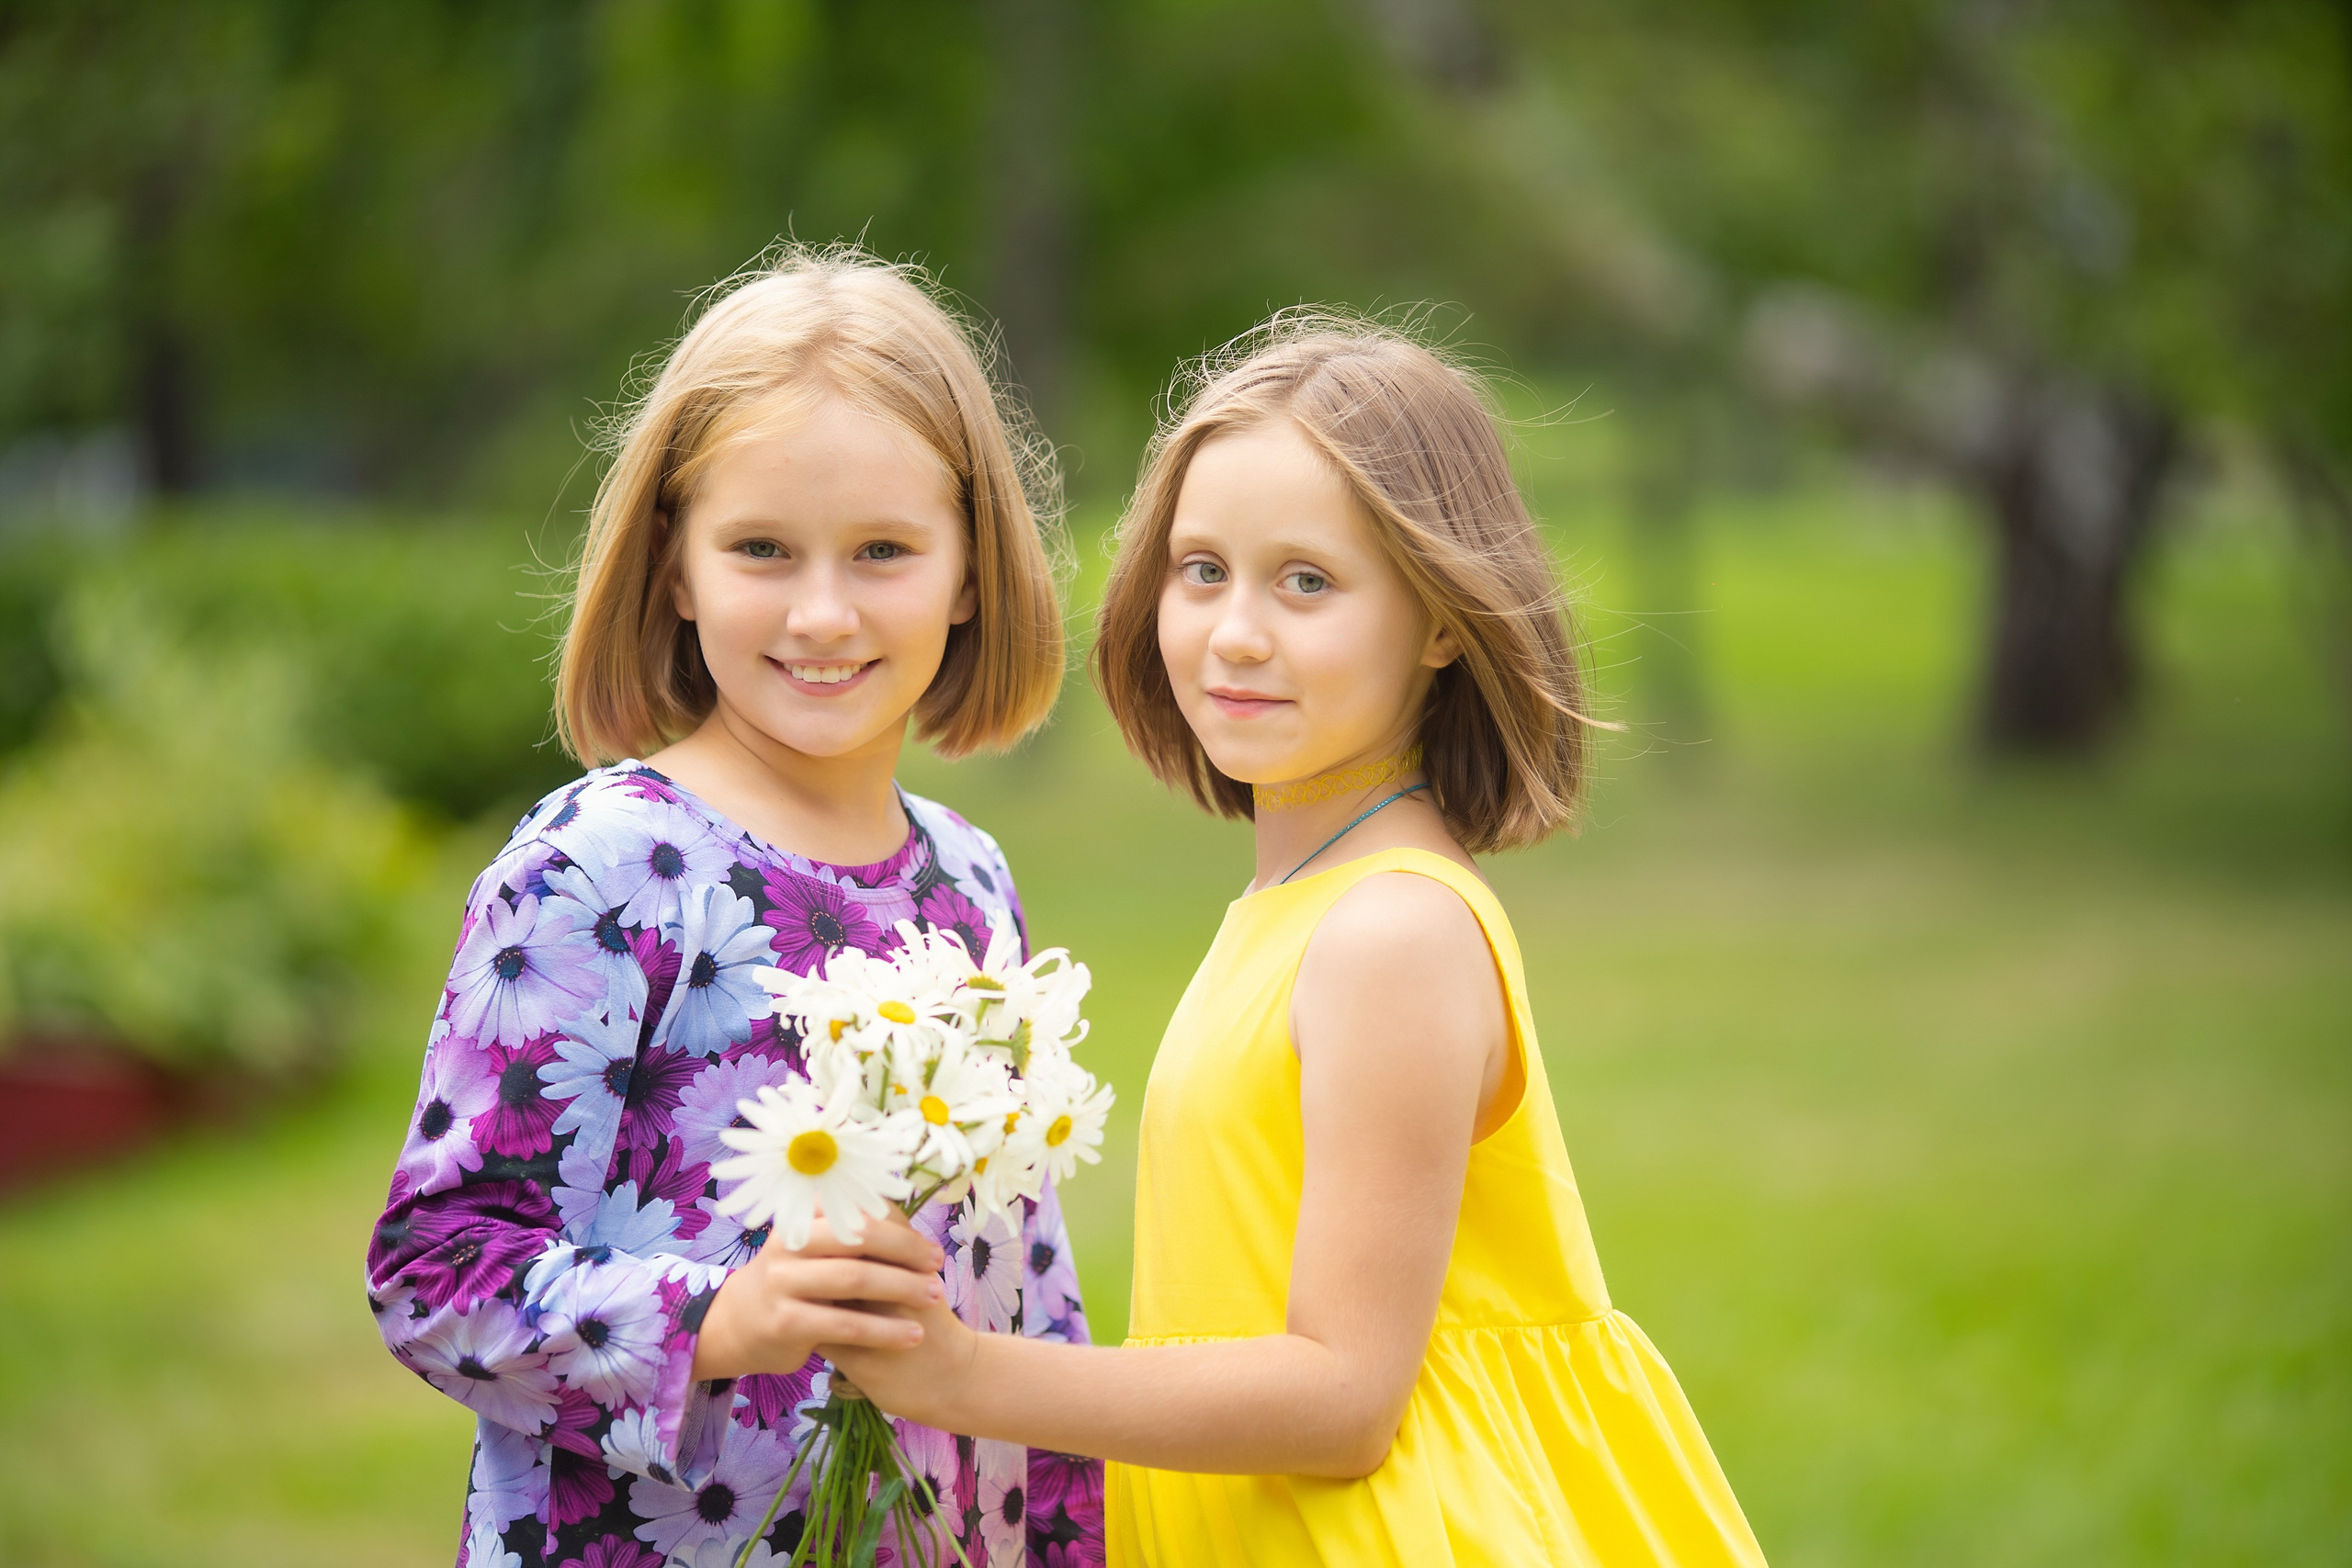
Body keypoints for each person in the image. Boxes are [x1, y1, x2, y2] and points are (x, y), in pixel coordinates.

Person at [824, 316, 1770, 1565]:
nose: (1236, 633)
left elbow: (1342, 1399)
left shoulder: (1391, 931)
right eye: (1202, 570)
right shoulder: (1305, 904)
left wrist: (961, 1378)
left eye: (1306, 582)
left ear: (1440, 619)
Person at [365, 245, 1106, 1568]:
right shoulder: (605, 868)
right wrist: (721, 1319)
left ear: (972, 572)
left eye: (884, 550)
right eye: (761, 548)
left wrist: (1068, 1535)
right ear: (674, 567)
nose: (822, 612)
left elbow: (1025, 1295)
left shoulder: (970, 881)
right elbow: (437, 1276)